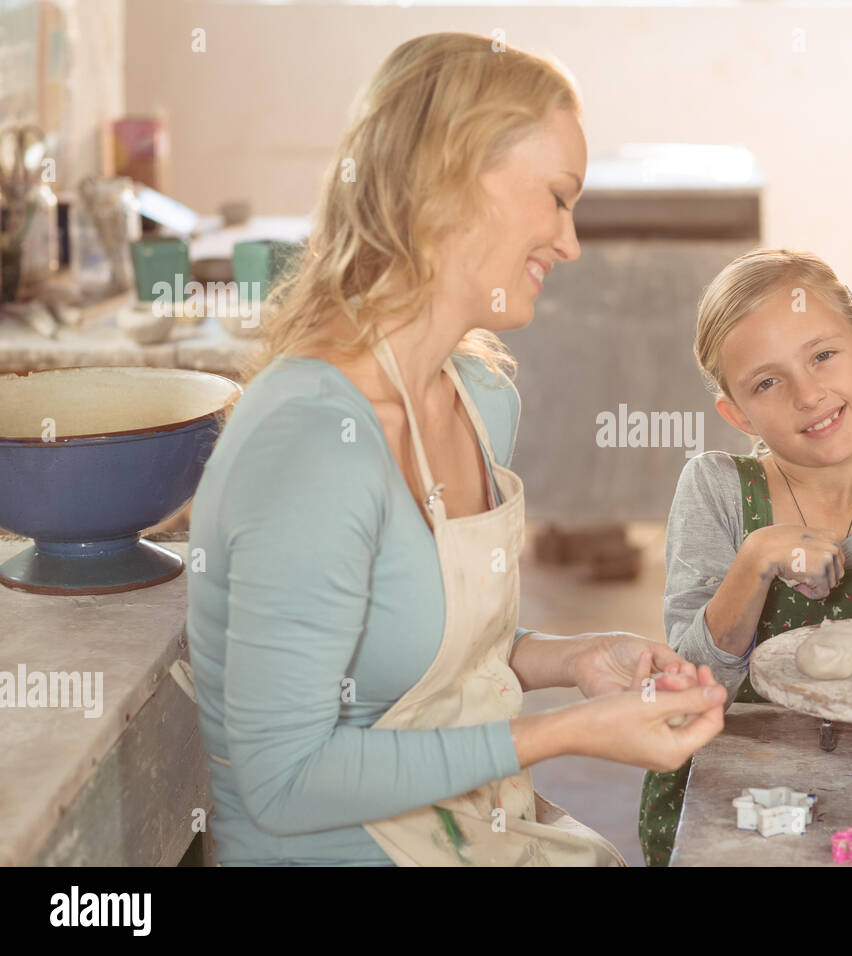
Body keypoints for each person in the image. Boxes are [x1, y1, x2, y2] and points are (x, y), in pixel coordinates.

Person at [185, 32, 725, 867]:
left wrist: (571, 660)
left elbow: (415, 653)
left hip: (468, 829)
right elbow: (284, 781)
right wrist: (567, 733)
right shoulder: (310, 448)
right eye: (555, 197)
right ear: (452, 181)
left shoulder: (477, 398)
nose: (570, 242)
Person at [637, 249, 852, 865]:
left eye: (823, 355)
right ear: (738, 413)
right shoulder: (717, 488)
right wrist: (754, 562)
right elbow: (694, 684)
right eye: (768, 382)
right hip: (740, 800)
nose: (808, 394)